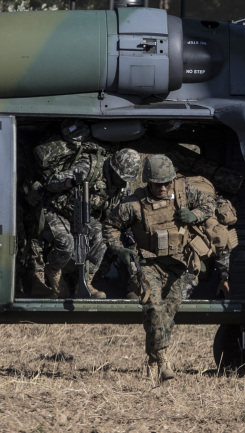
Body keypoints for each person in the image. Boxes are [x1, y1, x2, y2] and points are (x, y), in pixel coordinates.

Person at [103, 155, 216, 382]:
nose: (163, 188)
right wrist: (120, 250)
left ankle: (152, 359)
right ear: (148, 182)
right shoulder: (134, 204)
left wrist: (195, 215)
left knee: (167, 315)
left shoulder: (184, 193)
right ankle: (164, 361)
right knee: (153, 307)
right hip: (148, 264)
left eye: (167, 183)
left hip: (177, 265)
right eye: (158, 183)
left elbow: (210, 204)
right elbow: (110, 226)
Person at [29, 120, 141, 299]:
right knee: (66, 244)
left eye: (125, 179)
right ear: (112, 167)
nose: (122, 182)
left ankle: (87, 280)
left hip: (84, 216)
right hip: (56, 209)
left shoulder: (121, 185)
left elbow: (121, 208)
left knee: (102, 238)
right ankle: (54, 273)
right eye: (119, 177)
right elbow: (51, 183)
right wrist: (71, 182)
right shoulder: (89, 167)